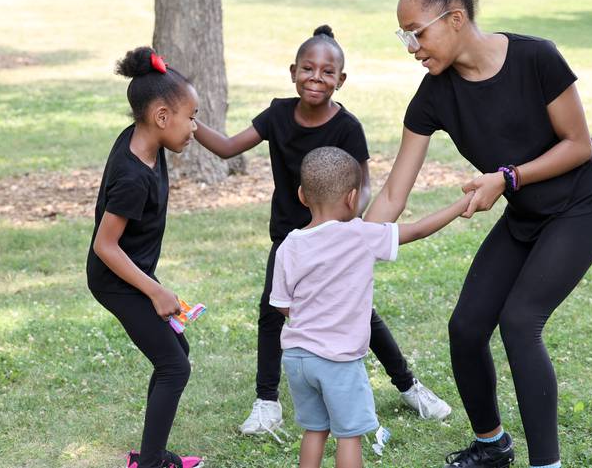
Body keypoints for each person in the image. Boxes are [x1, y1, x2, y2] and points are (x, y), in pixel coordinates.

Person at [364, 0, 592, 467]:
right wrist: (345, 245)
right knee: (466, 328)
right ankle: (491, 445)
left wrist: (508, 178)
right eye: (404, 35)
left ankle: (545, 464)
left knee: (520, 320)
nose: (411, 46)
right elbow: (394, 193)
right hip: (526, 215)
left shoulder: (536, 58)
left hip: (583, 206)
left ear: (455, 19)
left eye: (417, 32)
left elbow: (578, 145)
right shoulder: (433, 96)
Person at [192, 25, 453, 439]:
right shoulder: (278, 114)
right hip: (290, 238)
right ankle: (267, 403)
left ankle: (408, 386)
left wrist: (351, 224)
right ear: (293, 71)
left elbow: (363, 184)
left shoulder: (348, 127)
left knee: (361, 316)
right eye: (308, 69)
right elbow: (226, 147)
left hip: (336, 239)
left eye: (327, 72)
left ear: (340, 80)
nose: (316, 78)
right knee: (271, 313)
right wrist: (188, 121)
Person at [271, 146, 474, 468]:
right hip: (338, 362)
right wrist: (462, 203)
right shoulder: (360, 234)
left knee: (314, 430)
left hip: (297, 358)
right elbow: (418, 230)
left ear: (301, 195)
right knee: (349, 436)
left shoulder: (289, 245)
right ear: (352, 198)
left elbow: (283, 306)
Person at [86, 47, 204, 468]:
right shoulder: (134, 176)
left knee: (176, 355)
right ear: (159, 117)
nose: (195, 126)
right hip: (115, 280)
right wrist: (154, 291)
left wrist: (186, 117)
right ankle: (150, 464)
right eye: (191, 116)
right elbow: (105, 245)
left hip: (130, 273)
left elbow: (176, 119)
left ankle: (150, 457)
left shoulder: (146, 141)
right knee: (174, 367)